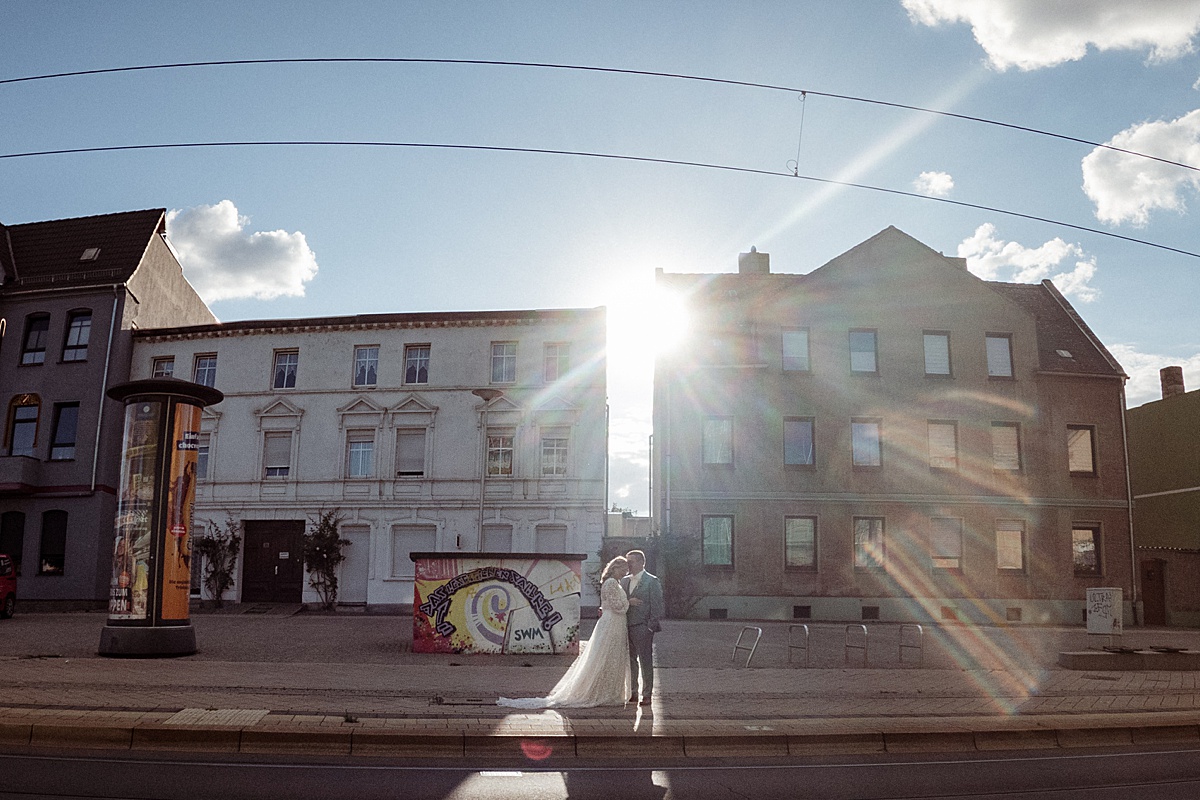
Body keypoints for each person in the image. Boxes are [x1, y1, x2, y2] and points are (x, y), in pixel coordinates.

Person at [497, 556, 632, 709]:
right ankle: (603, 692)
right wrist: (629, 603)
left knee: (610, 657)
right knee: (607, 656)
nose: (625, 572)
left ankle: (609, 691)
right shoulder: (612, 583)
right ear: (615, 568)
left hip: (614, 622)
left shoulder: (614, 583)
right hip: (612, 622)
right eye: (623, 569)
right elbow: (618, 606)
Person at [622, 549, 664, 706]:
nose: (628, 565)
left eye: (631, 562)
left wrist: (650, 627)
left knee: (645, 661)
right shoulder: (624, 581)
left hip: (643, 627)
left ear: (641, 562)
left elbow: (657, 605)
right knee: (630, 660)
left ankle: (647, 694)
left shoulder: (652, 581)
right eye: (627, 562)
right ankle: (633, 691)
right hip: (625, 626)